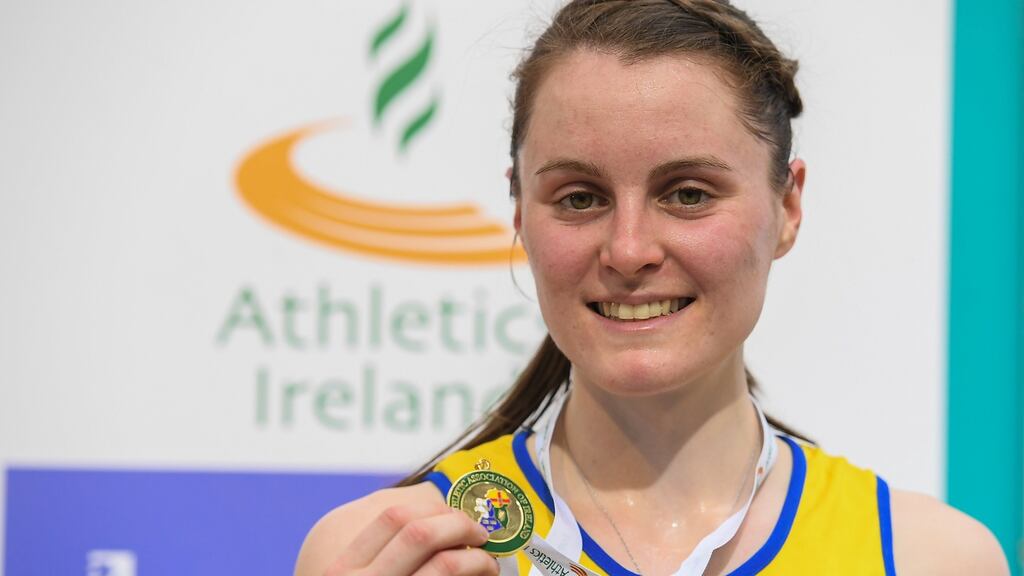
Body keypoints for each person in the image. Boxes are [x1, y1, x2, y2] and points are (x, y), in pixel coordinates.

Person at [295, 1, 1009, 574]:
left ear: (787, 207)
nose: (629, 250)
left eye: (689, 194)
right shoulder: (390, 552)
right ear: (519, 210)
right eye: (579, 197)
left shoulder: (928, 559)